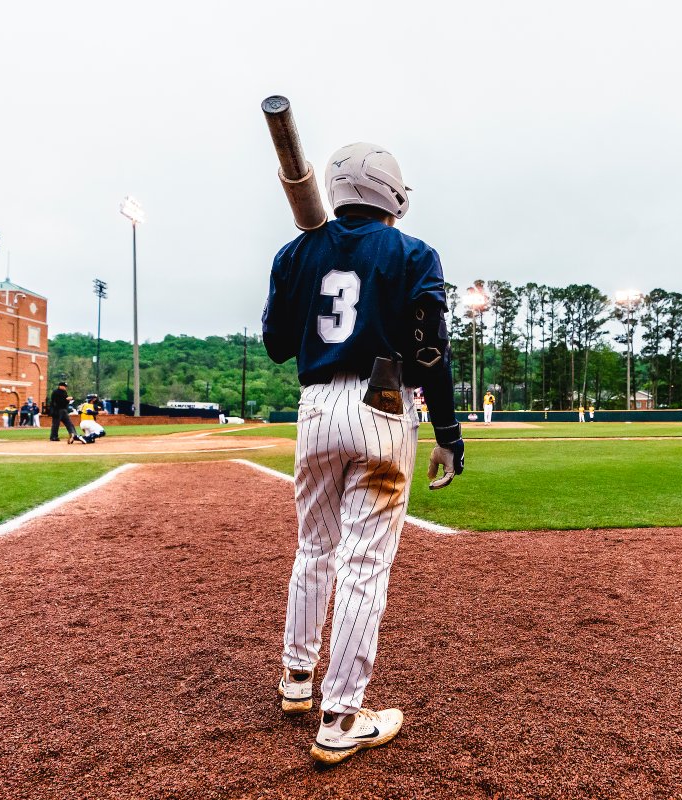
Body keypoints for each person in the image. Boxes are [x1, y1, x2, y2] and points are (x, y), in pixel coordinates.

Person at [261, 142, 464, 766]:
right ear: (391, 193)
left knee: (313, 549)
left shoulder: (296, 251)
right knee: (364, 565)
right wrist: (450, 435)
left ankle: (297, 678)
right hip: (383, 405)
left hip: (316, 407)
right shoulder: (413, 254)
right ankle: (341, 716)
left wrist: (300, 274)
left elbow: (274, 343)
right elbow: (431, 355)